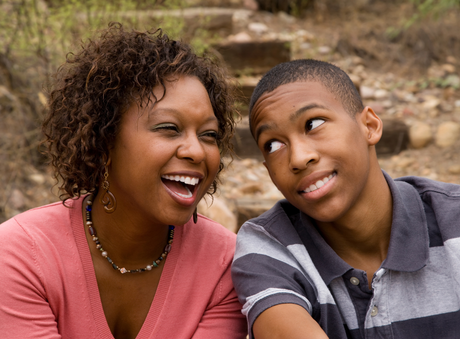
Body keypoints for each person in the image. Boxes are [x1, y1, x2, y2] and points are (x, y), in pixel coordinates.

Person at [0, 23, 247, 339]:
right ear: (104, 140)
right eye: (169, 128)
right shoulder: (22, 256)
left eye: (208, 135)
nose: (197, 151)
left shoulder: (226, 265)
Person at [231, 59, 460, 339]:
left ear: (370, 126)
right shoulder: (271, 246)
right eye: (273, 145)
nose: (298, 158)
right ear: (267, 169)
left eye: (313, 124)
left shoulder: (454, 224)